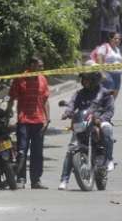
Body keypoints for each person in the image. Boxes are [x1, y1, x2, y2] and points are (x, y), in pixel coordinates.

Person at [58, 71, 115, 190]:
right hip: (83, 122)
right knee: (71, 149)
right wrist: (67, 113)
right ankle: (64, 180)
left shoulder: (105, 93)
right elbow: (72, 104)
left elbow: (109, 111)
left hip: (99, 121)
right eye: (83, 80)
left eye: (87, 79)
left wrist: (101, 119)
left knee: (107, 128)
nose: (84, 82)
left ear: (94, 80)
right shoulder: (80, 93)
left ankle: (109, 159)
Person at [7, 56, 50, 189]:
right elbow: (12, 97)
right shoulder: (20, 78)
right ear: (31, 65)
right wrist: (8, 113)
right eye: (39, 66)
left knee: (37, 152)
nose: (41, 68)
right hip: (24, 120)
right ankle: (21, 179)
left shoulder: (43, 79)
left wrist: (47, 119)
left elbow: (45, 100)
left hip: (39, 121)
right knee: (22, 151)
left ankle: (36, 180)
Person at [96, 32, 122, 99]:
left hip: (117, 75)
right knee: (107, 96)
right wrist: (101, 73)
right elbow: (99, 59)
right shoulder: (105, 47)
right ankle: (103, 108)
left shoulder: (117, 50)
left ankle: (110, 109)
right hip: (108, 74)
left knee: (114, 97)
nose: (117, 40)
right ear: (110, 39)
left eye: (119, 39)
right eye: (115, 38)